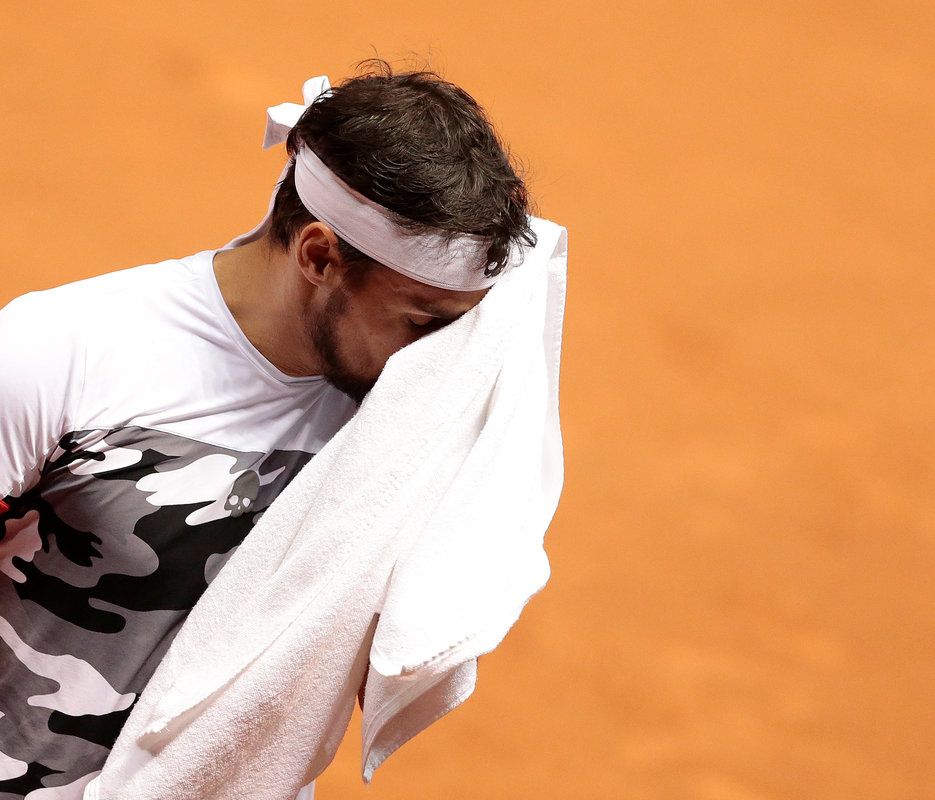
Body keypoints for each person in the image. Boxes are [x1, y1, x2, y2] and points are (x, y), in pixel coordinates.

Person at [0, 62, 536, 798]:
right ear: (318, 255)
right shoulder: (59, 350)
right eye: (419, 322)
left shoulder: (411, 405)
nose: (440, 357)